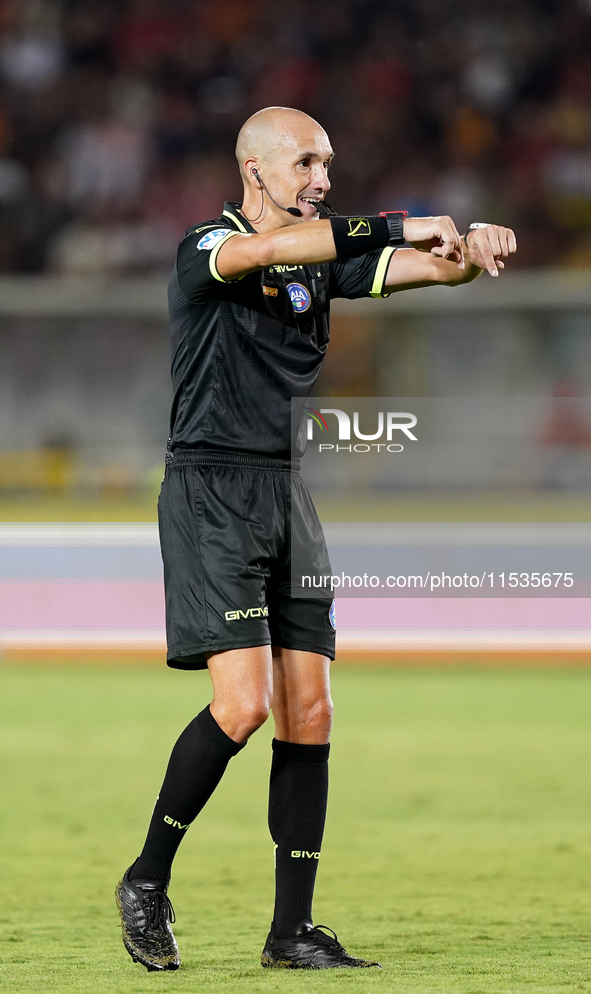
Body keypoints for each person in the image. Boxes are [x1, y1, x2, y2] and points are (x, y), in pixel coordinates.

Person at [115, 106, 517, 972]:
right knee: (243, 706)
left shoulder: (319, 263)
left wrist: (469, 253)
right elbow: (267, 254)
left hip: (285, 492)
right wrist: (399, 220)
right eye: (305, 162)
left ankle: (290, 931)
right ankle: (146, 878)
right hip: (208, 489)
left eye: (327, 162)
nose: (321, 177)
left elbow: (430, 272)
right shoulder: (204, 248)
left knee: (311, 710)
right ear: (254, 169)